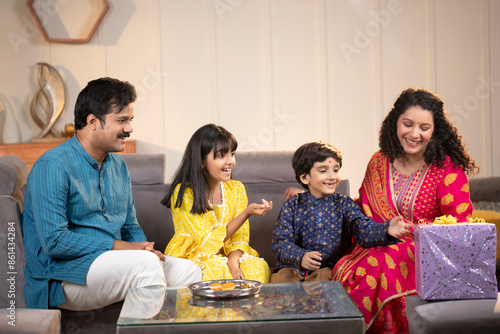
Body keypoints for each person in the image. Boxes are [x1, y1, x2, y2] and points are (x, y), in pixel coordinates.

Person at [22, 77, 202, 311]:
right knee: (144, 267)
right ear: (93, 122)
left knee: (190, 271)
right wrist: (123, 248)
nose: (129, 128)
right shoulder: (53, 165)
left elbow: (130, 226)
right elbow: (55, 242)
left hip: (109, 264)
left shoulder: (118, 166)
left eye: (130, 120)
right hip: (61, 275)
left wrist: (145, 248)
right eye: (122, 120)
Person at [331, 88, 478, 333]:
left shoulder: (447, 170)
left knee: (383, 263)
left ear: (435, 131)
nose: (414, 134)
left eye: (424, 127)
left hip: (426, 251)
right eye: (407, 124)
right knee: (356, 266)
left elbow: (459, 224)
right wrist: (312, 198)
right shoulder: (379, 160)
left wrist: (413, 235)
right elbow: (362, 207)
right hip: (374, 241)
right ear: (395, 122)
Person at [271, 141, 410, 284]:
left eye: (336, 170)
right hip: (292, 267)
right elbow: (280, 242)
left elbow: (363, 229)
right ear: (305, 177)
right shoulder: (293, 205)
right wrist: (300, 257)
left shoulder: (345, 204)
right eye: (323, 171)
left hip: (327, 268)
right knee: (280, 280)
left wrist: (386, 229)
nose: (332, 176)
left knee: (325, 284)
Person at [161, 123, 273, 283]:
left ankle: (242, 309)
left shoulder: (236, 189)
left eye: (232, 154)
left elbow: (239, 238)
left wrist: (233, 263)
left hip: (227, 254)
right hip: (193, 254)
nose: (230, 161)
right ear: (201, 161)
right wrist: (246, 213)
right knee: (217, 270)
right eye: (221, 156)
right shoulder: (183, 193)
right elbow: (207, 241)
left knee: (256, 267)